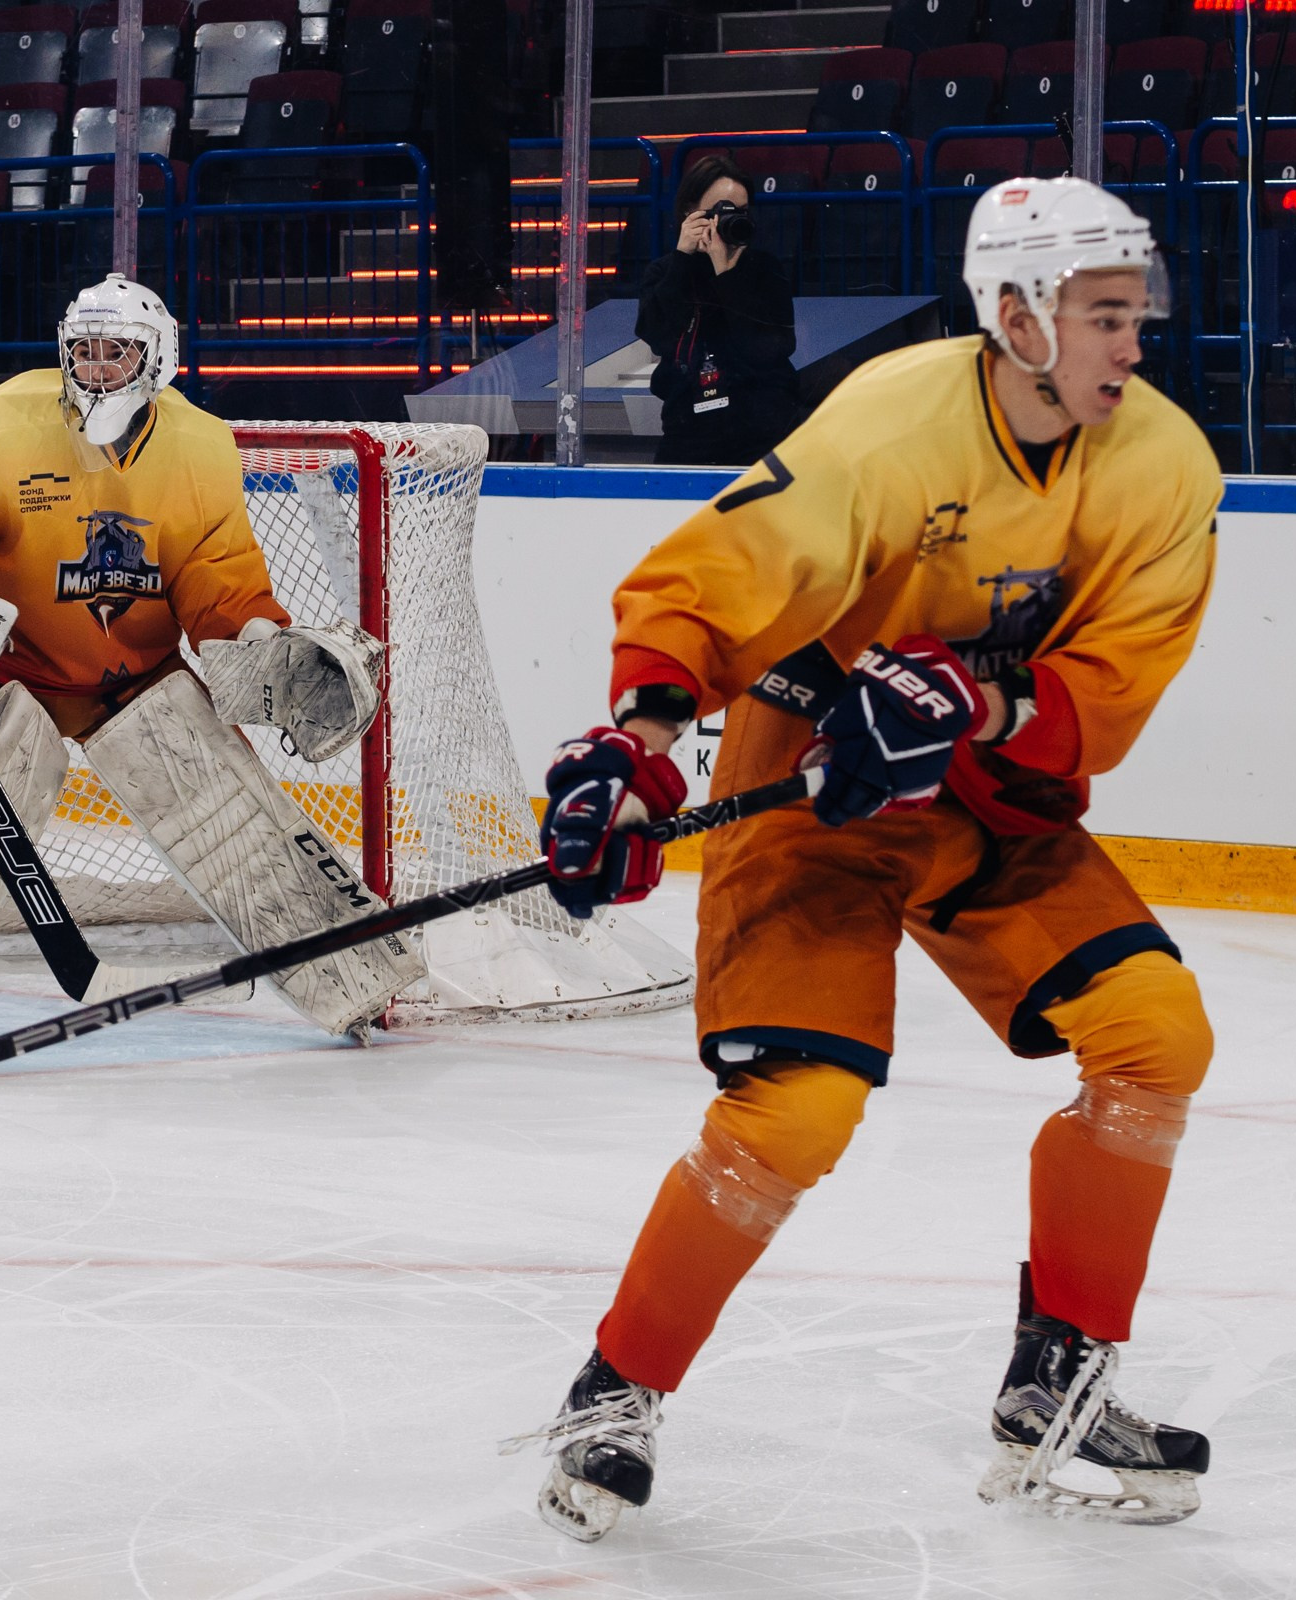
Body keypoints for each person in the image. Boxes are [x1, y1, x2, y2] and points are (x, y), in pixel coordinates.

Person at [508, 178, 1222, 1540]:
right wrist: (643, 743)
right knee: (799, 1111)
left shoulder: (1166, 464)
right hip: (810, 767)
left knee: (1153, 1034)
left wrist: (985, 702)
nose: (1133, 342)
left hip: (985, 795)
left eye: (1139, 312)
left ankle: (1057, 1381)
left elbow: (1118, 681)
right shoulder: (892, 423)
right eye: (1102, 315)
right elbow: (721, 574)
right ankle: (616, 1392)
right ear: (1015, 317)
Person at [0, 273, 424, 1071]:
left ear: (160, 358)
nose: (100, 368)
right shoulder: (3, 421)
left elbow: (218, 581)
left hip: (136, 680)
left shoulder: (199, 447)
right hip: (7, 675)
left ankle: (351, 973)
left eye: (120, 352)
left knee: (236, 819)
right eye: (85, 351)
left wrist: (265, 643)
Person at [634, 154, 804, 467]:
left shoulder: (764, 269)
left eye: (739, 212)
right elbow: (658, 337)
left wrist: (727, 274)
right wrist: (683, 258)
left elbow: (772, 349)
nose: (728, 220)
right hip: (690, 429)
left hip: (762, 429)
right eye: (719, 211)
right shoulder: (666, 272)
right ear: (690, 211)